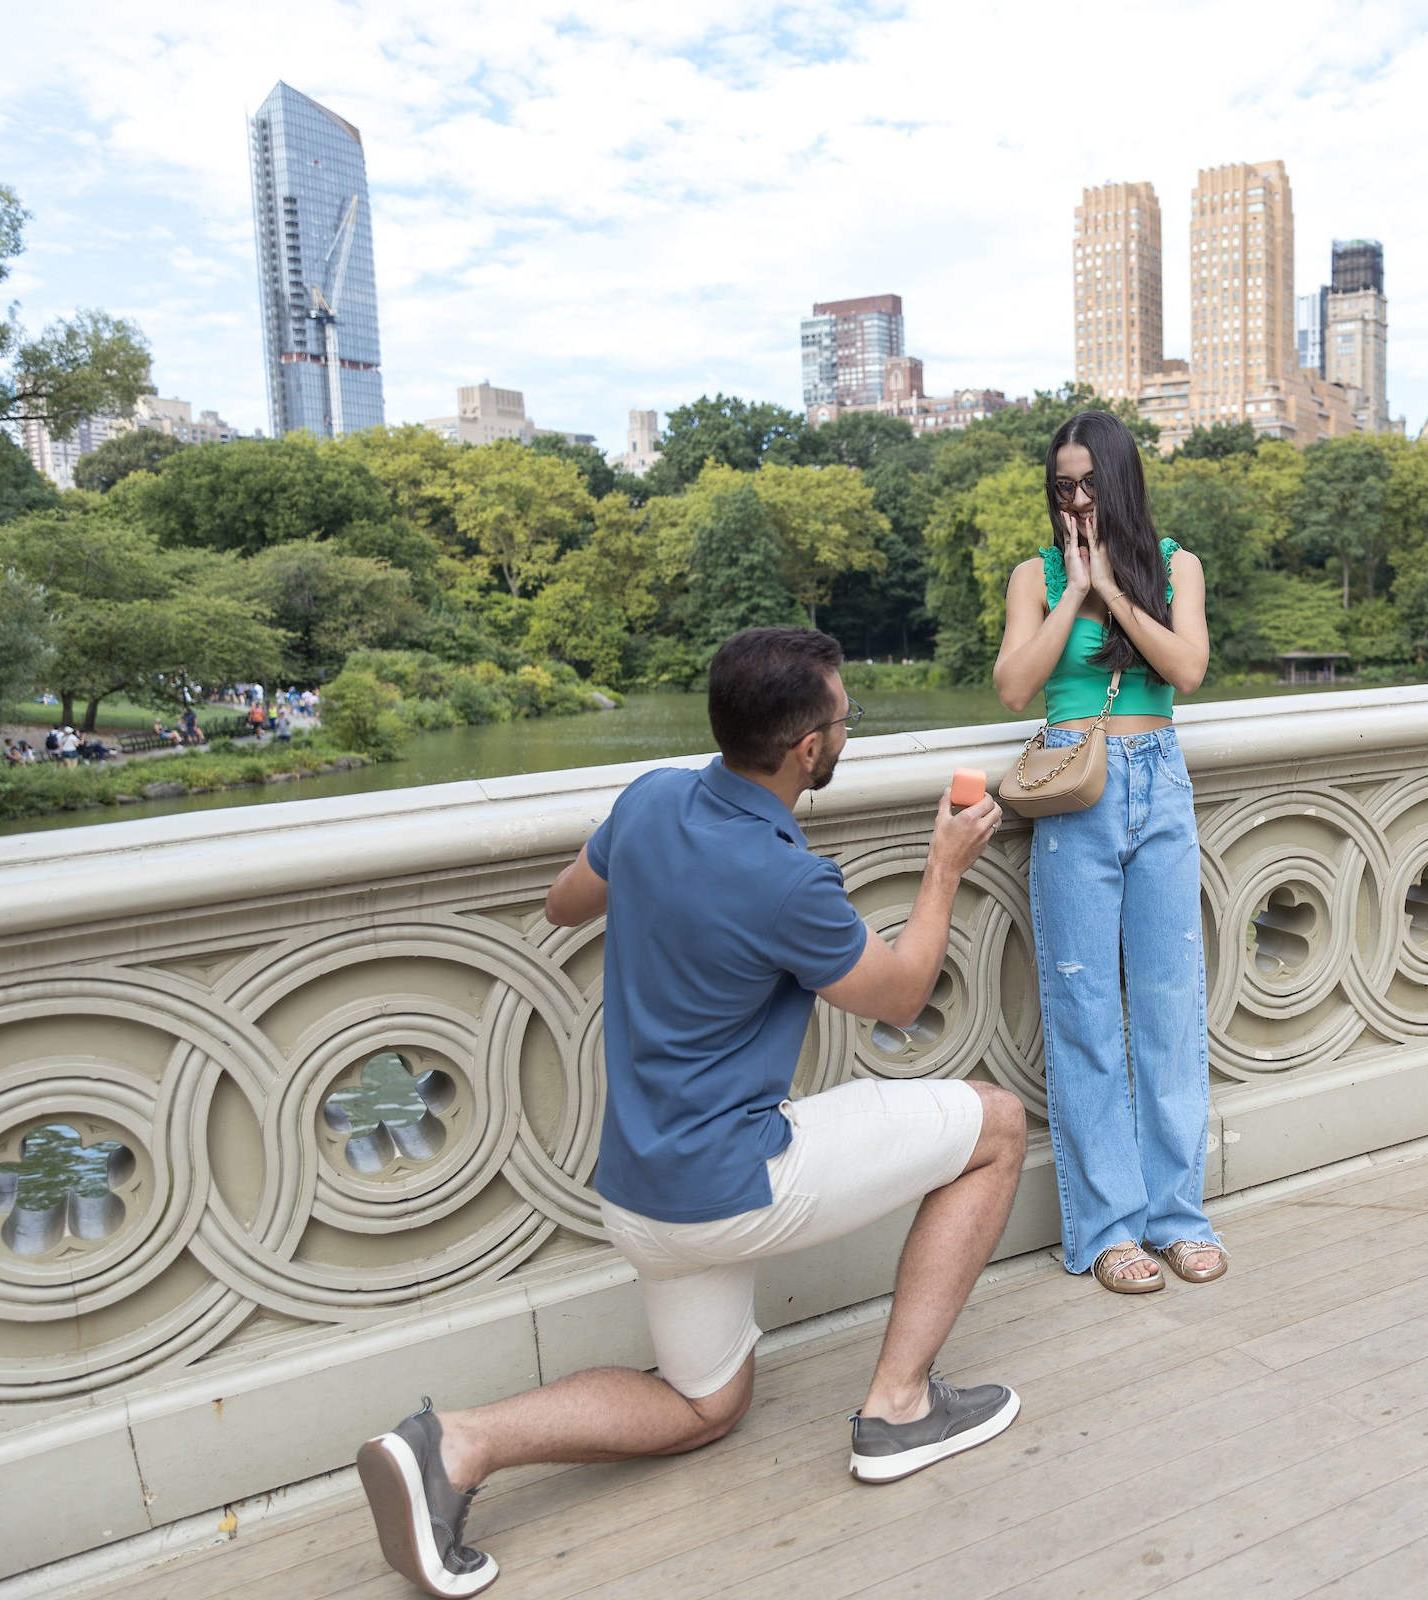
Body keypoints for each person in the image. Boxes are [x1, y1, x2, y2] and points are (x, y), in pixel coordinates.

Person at [354, 627, 1026, 1598]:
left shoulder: (650, 798)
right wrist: (946, 860)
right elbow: (904, 995)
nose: (846, 733)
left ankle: (452, 1443)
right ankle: (901, 1406)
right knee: (995, 1126)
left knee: (707, 1402)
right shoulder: (790, 881)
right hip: (735, 1182)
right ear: (808, 749)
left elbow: (560, 903)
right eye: (846, 720)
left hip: (638, 1196)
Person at [991, 411, 1224, 1296]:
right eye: (1062, 488)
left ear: (1120, 483)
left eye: (1090, 484)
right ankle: (1109, 1230)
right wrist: (1071, 597)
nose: (1076, 500)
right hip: (1074, 790)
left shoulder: (1175, 566)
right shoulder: (1034, 574)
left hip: (1158, 779)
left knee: (1169, 1006)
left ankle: (1178, 1217)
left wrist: (1117, 593)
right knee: (1085, 1011)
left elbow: (1187, 669)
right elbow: (1016, 687)